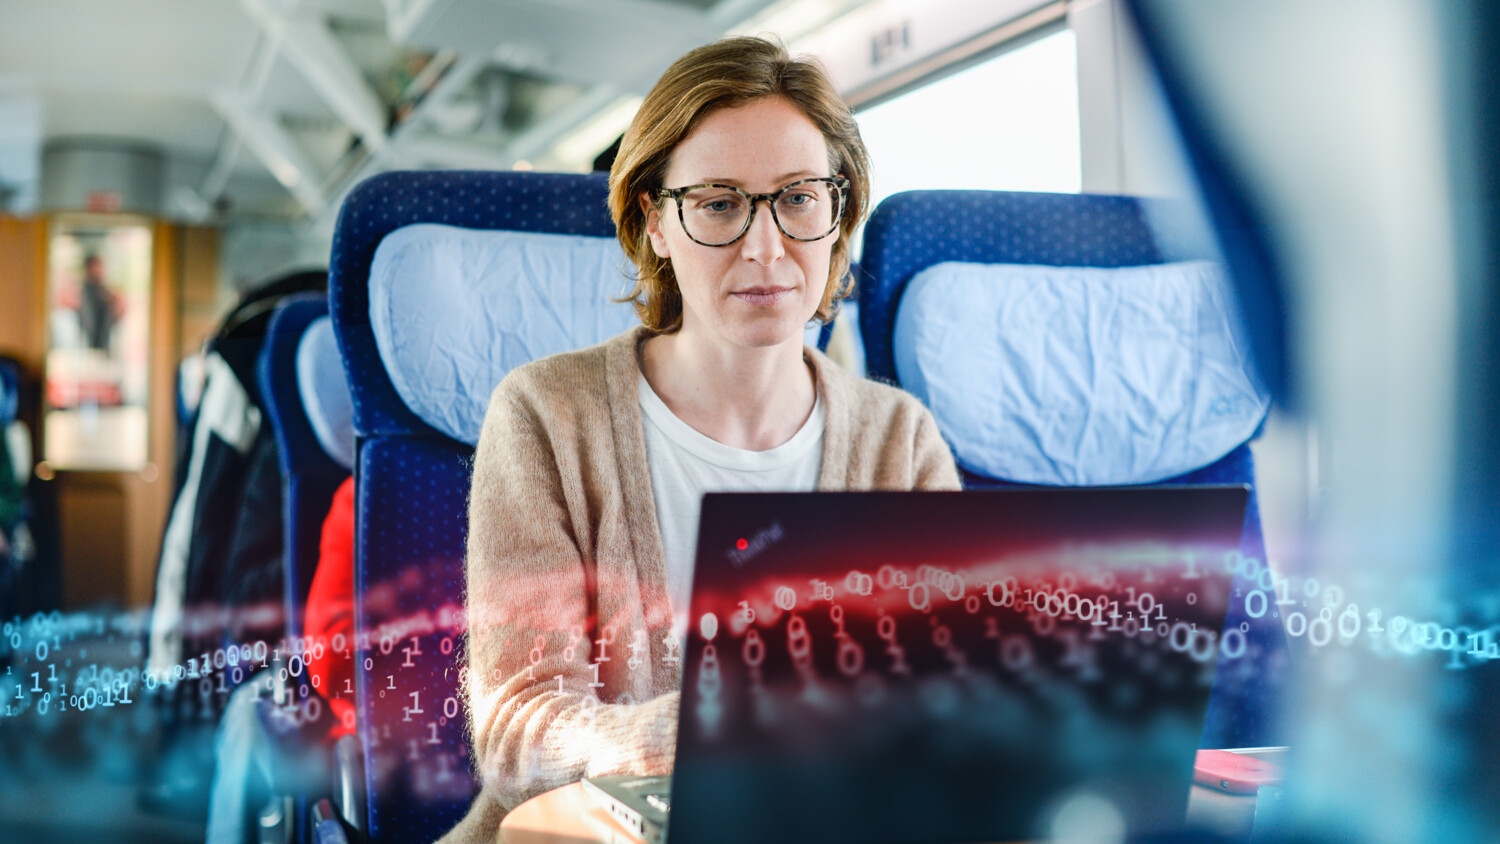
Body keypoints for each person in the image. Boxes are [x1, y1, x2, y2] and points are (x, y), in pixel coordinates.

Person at [439, 35, 961, 843]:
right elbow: (518, 732)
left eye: (798, 198)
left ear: (839, 214)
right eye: (718, 203)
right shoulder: (545, 415)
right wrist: (722, 735)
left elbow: (949, 697)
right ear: (655, 224)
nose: (765, 247)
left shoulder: (901, 439)